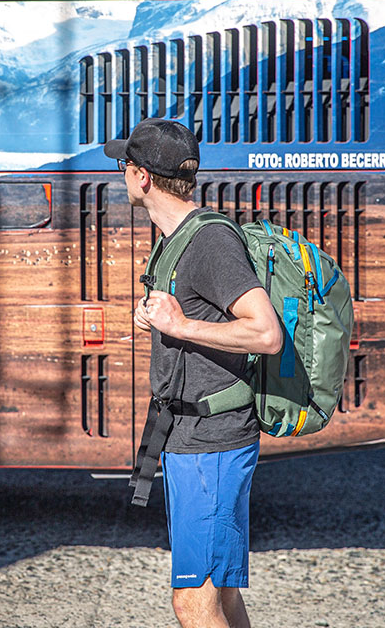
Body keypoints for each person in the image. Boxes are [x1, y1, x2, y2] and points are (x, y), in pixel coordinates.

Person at [104, 118, 282, 628]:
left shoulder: (207, 244)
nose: (121, 175)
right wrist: (161, 320)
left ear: (142, 177)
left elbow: (265, 332)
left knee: (193, 600)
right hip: (189, 438)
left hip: (213, 444)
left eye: (125, 166)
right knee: (221, 592)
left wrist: (180, 325)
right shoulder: (173, 238)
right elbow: (195, 319)